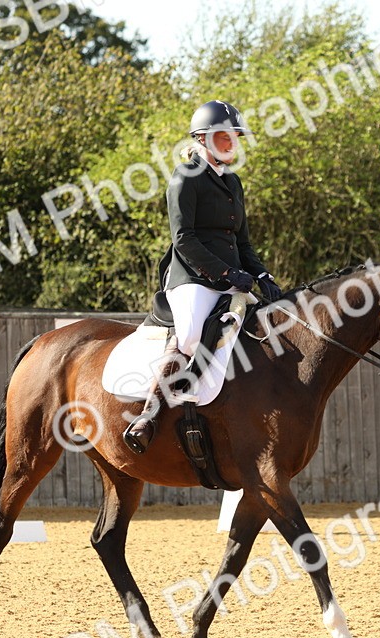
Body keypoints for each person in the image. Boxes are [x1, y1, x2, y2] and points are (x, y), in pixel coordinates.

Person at [123, 100, 283, 455]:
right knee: (193, 335)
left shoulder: (233, 182)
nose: (232, 144)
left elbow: (241, 241)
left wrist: (261, 273)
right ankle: (147, 416)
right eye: (224, 137)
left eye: (235, 137)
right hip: (191, 278)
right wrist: (227, 272)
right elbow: (184, 239)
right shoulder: (185, 178)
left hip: (233, 278)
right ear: (203, 139)